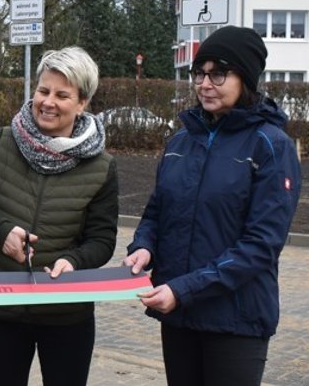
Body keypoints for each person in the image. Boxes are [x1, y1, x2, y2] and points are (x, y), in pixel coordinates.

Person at [124, 26, 301, 386]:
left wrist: (183, 289)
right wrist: (143, 247)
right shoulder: (180, 140)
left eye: (218, 73)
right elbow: (157, 211)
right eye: (199, 73)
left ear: (245, 78)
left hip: (235, 322)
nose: (205, 83)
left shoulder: (271, 146)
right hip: (180, 316)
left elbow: (261, 245)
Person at [0, 46, 118, 386]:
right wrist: (0, 230)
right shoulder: (4, 142)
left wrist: (73, 260)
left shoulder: (102, 166)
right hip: (4, 308)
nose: (48, 102)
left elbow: (102, 240)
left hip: (67, 315)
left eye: (62, 95)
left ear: (82, 103)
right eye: (43, 90)